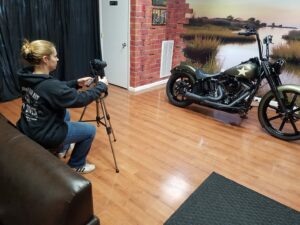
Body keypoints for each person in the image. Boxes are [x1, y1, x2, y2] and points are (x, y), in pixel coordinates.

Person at [17, 39, 108, 174]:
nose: (58, 59)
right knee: (90, 131)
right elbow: (80, 99)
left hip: (28, 126)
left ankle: (60, 149)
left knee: (65, 114)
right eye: (55, 56)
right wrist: (101, 86)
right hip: (43, 134)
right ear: (45, 59)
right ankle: (76, 164)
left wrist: (76, 83)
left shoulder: (28, 76)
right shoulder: (49, 86)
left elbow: (53, 90)